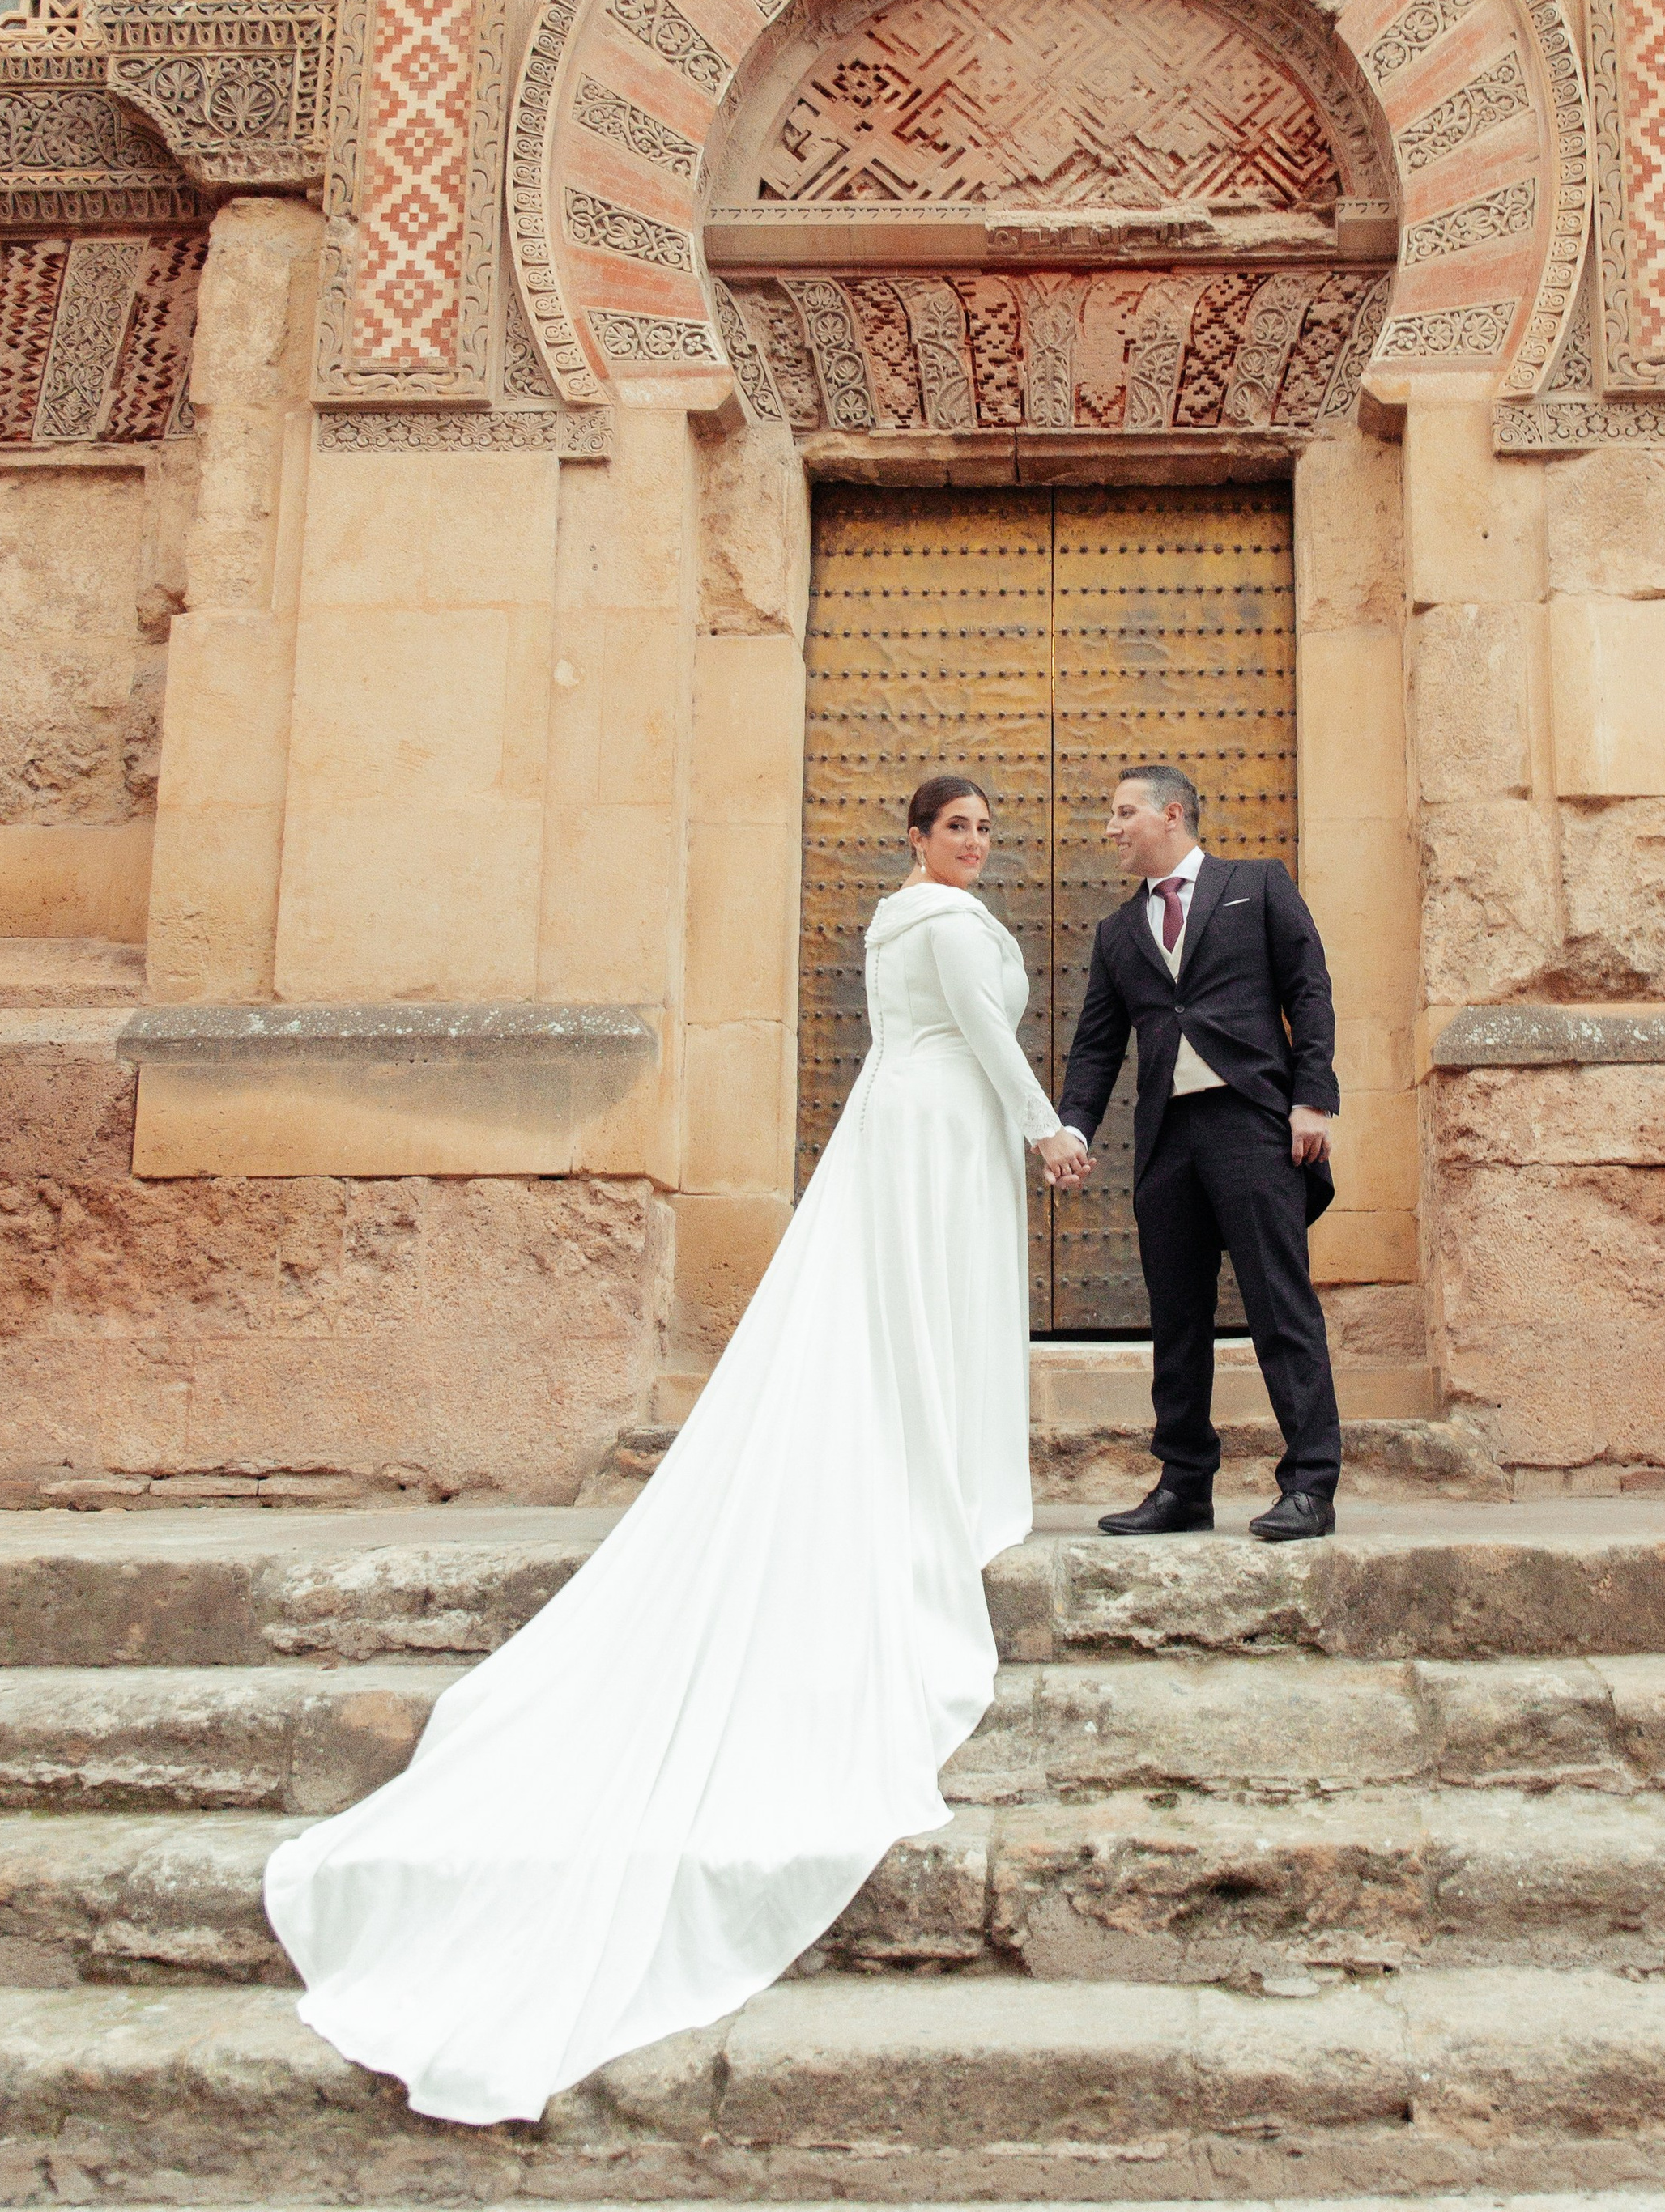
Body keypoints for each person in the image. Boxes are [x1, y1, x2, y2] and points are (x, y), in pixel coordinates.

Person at [263, 775, 1084, 2126]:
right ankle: (944, 1475)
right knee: (934, 1308)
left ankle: (925, 1454)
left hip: (901, 1124)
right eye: (959, 828)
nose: (977, 844)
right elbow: (989, 1050)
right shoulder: (935, 922)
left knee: (904, 1313)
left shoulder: (898, 921)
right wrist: (1043, 1120)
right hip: (943, 1124)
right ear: (921, 841)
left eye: (987, 829)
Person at [1053, 761, 1341, 1544]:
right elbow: (1096, 1046)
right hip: (1168, 1142)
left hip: (1253, 1124)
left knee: (1281, 1306)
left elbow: (1309, 989)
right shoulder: (1117, 933)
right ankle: (1184, 1486)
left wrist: (1312, 1096)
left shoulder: (1258, 883)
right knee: (1177, 1319)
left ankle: (1311, 1484)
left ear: (1170, 814)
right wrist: (1074, 1127)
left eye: (1121, 814)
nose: (1110, 829)